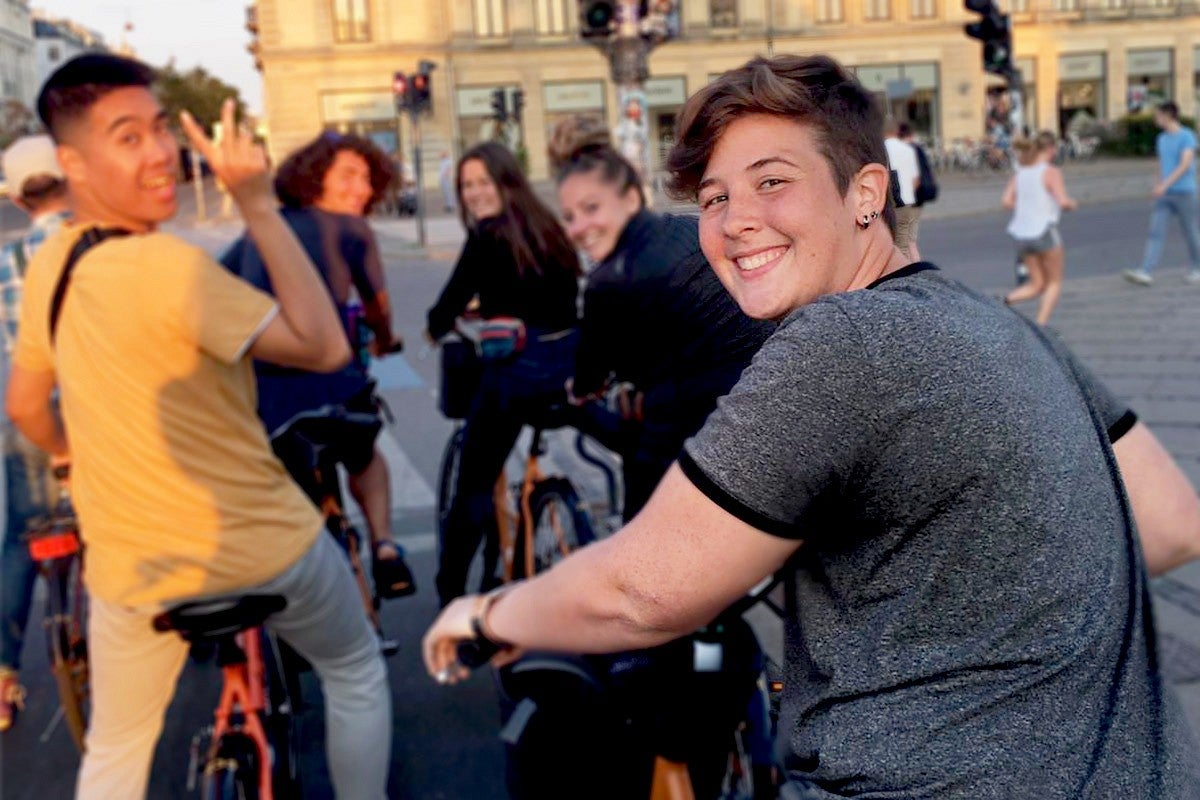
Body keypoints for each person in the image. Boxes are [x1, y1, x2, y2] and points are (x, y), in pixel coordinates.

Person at [425, 54, 1200, 798]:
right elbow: (1170, 525)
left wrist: (490, 612)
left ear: (866, 192)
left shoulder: (842, 342)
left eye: (772, 182)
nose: (734, 223)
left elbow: (643, 591)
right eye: (716, 198)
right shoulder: (1003, 324)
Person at [6, 54, 390, 797]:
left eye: (159, 130)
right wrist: (254, 201)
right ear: (72, 162)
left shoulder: (55, 259)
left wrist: (70, 458)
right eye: (127, 137)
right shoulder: (172, 269)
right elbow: (325, 346)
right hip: (266, 546)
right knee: (354, 670)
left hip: (136, 572)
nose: (158, 155)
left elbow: (25, 407)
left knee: (117, 747)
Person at [221, 131, 415, 599]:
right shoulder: (352, 231)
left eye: (368, 180)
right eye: (349, 176)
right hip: (334, 384)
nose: (363, 190)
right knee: (365, 454)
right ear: (314, 178)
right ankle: (385, 546)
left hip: (271, 399)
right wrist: (387, 340)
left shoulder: (259, 231)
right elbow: (377, 306)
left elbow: (220, 291)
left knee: (286, 483)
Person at [549, 114, 773, 520]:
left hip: (696, 411)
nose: (580, 227)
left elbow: (591, 377)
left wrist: (578, 390)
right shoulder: (688, 228)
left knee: (640, 546)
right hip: (764, 380)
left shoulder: (608, 281)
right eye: (572, 215)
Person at [425, 141, 581, 607]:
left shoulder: (487, 236)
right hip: (565, 370)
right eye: (465, 185)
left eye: (481, 183)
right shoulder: (547, 226)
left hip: (516, 380)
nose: (473, 193)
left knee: (472, 484)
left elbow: (446, 307)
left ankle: (451, 595)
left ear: (504, 182)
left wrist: (438, 326)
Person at [0, 134, 71, 733]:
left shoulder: (6, 261)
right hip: (98, 408)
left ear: (20, 201)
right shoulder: (100, 242)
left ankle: (1, 677)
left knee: (22, 540)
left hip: (27, 411)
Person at [1001, 131, 1077, 325]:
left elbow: (1006, 202)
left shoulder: (1020, 174)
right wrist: (1071, 203)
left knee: (1036, 284)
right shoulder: (1051, 172)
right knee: (1054, 282)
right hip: (1043, 231)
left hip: (1022, 234)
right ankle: (1041, 325)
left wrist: (1026, 205)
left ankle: (1002, 302)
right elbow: (1062, 201)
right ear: (1051, 149)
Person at [1123, 101, 1200, 286]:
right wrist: (1157, 185)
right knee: (1155, 232)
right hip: (1165, 195)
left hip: (1184, 192)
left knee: (1190, 232)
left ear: (1168, 116)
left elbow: (1184, 165)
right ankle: (1146, 271)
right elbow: (1161, 164)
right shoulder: (1161, 139)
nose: (1155, 119)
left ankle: (1198, 268)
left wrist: (1164, 185)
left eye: (1158, 115)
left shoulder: (1187, 137)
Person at [883, 118, 921, 261]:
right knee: (907, 244)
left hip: (892, 204)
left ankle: (903, 277)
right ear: (897, 131)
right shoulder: (907, 149)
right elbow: (915, 180)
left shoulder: (881, 150)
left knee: (895, 245)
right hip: (908, 202)